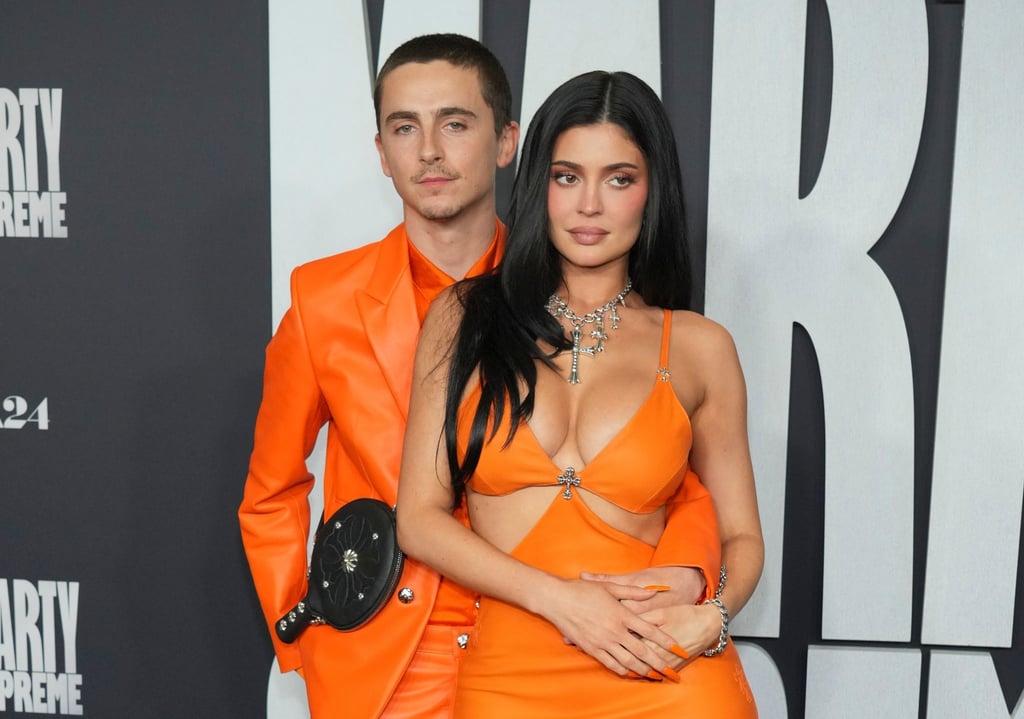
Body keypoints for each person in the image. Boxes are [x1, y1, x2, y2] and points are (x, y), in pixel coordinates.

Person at [239, 35, 722, 719]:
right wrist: (309, 625)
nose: (429, 151)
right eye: (404, 128)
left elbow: (681, 477)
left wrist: (691, 577)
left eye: (455, 124)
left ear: (506, 143)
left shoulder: (581, 292)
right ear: (381, 150)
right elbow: (271, 491)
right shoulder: (323, 301)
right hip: (388, 661)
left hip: (552, 640)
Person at [397, 70, 763, 717]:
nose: (589, 204)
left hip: (667, 675)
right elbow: (418, 520)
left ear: (652, 193)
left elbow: (741, 538)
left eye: (619, 178)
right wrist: (562, 600)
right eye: (568, 176)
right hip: (512, 678)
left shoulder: (701, 347)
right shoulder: (465, 317)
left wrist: (713, 614)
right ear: (539, 184)